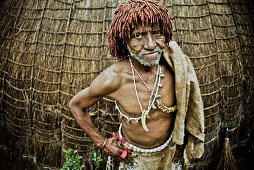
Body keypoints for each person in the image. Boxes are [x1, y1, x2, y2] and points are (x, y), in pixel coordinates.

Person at [68, 0, 205, 169]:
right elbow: (76, 105)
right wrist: (102, 143)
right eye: (138, 35)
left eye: (157, 33)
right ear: (124, 39)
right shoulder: (114, 78)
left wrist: (180, 140)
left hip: (169, 155)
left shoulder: (176, 69)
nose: (150, 44)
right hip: (132, 158)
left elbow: (187, 109)